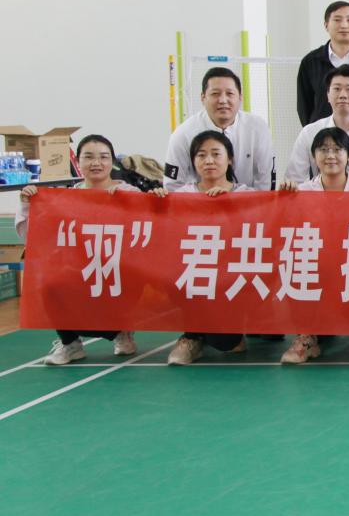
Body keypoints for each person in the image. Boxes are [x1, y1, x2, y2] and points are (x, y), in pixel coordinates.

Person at [17, 135, 138, 365]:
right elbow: (34, 236)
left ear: (112, 161)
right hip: (79, 272)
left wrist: (131, 203)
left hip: (118, 272)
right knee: (50, 283)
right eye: (88, 157)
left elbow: (152, 231)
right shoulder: (65, 199)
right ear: (78, 161)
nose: (96, 163)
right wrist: (26, 203)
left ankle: (122, 331)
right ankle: (70, 343)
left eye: (103, 157)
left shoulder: (129, 192)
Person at [275, 128, 349, 364]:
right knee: (297, 264)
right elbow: (286, 232)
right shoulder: (301, 193)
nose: (330, 155)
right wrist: (283, 201)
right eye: (323, 150)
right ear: (314, 156)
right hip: (316, 262)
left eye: (337, 149)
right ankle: (306, 337)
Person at [161, 131, 253, 365]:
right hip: (194, 272)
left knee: (226, 343)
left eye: (215, 154)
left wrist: (228, 205)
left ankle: (219, 333)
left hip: (231, 278)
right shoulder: (181, 196)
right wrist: (154, 203)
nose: (209, 161)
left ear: (230, 159)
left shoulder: (247, 196)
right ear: (193, 161)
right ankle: (191, 337)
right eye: (201, 155)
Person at [164, 67, 273, 192]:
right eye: (215, 94)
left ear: (240, 97)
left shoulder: (258, 129)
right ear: (203, 98)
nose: (223, 100)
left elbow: (265, 180)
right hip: (199, 202)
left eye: (230, 94)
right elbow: (172, 186)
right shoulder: (183, 134)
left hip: (247, 201)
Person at [285, 65, 349, 191]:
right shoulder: (309, 133)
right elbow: (294, 180)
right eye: (337, 89)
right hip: (320, 202)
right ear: (328, 95)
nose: (343, 95)